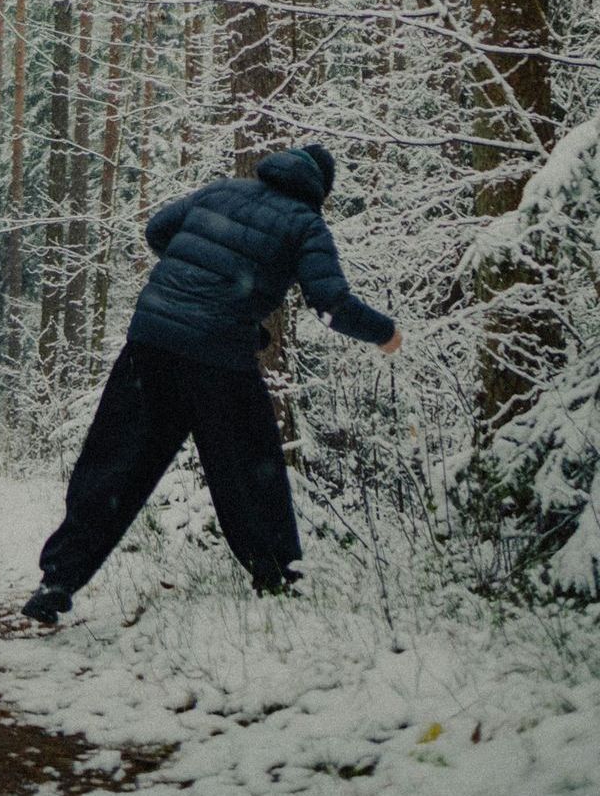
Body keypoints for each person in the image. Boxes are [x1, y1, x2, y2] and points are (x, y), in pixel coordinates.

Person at [22, 143, 402, 624]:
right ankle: (277, 576)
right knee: (249, 469)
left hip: (152, 341)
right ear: (319, 190)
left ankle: (57, 581)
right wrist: (385, 333)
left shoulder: (223, 191)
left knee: (114, 464)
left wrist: (193, 272)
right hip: (219, 358)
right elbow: (331, 304)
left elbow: (158, 229)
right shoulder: (306, 225)